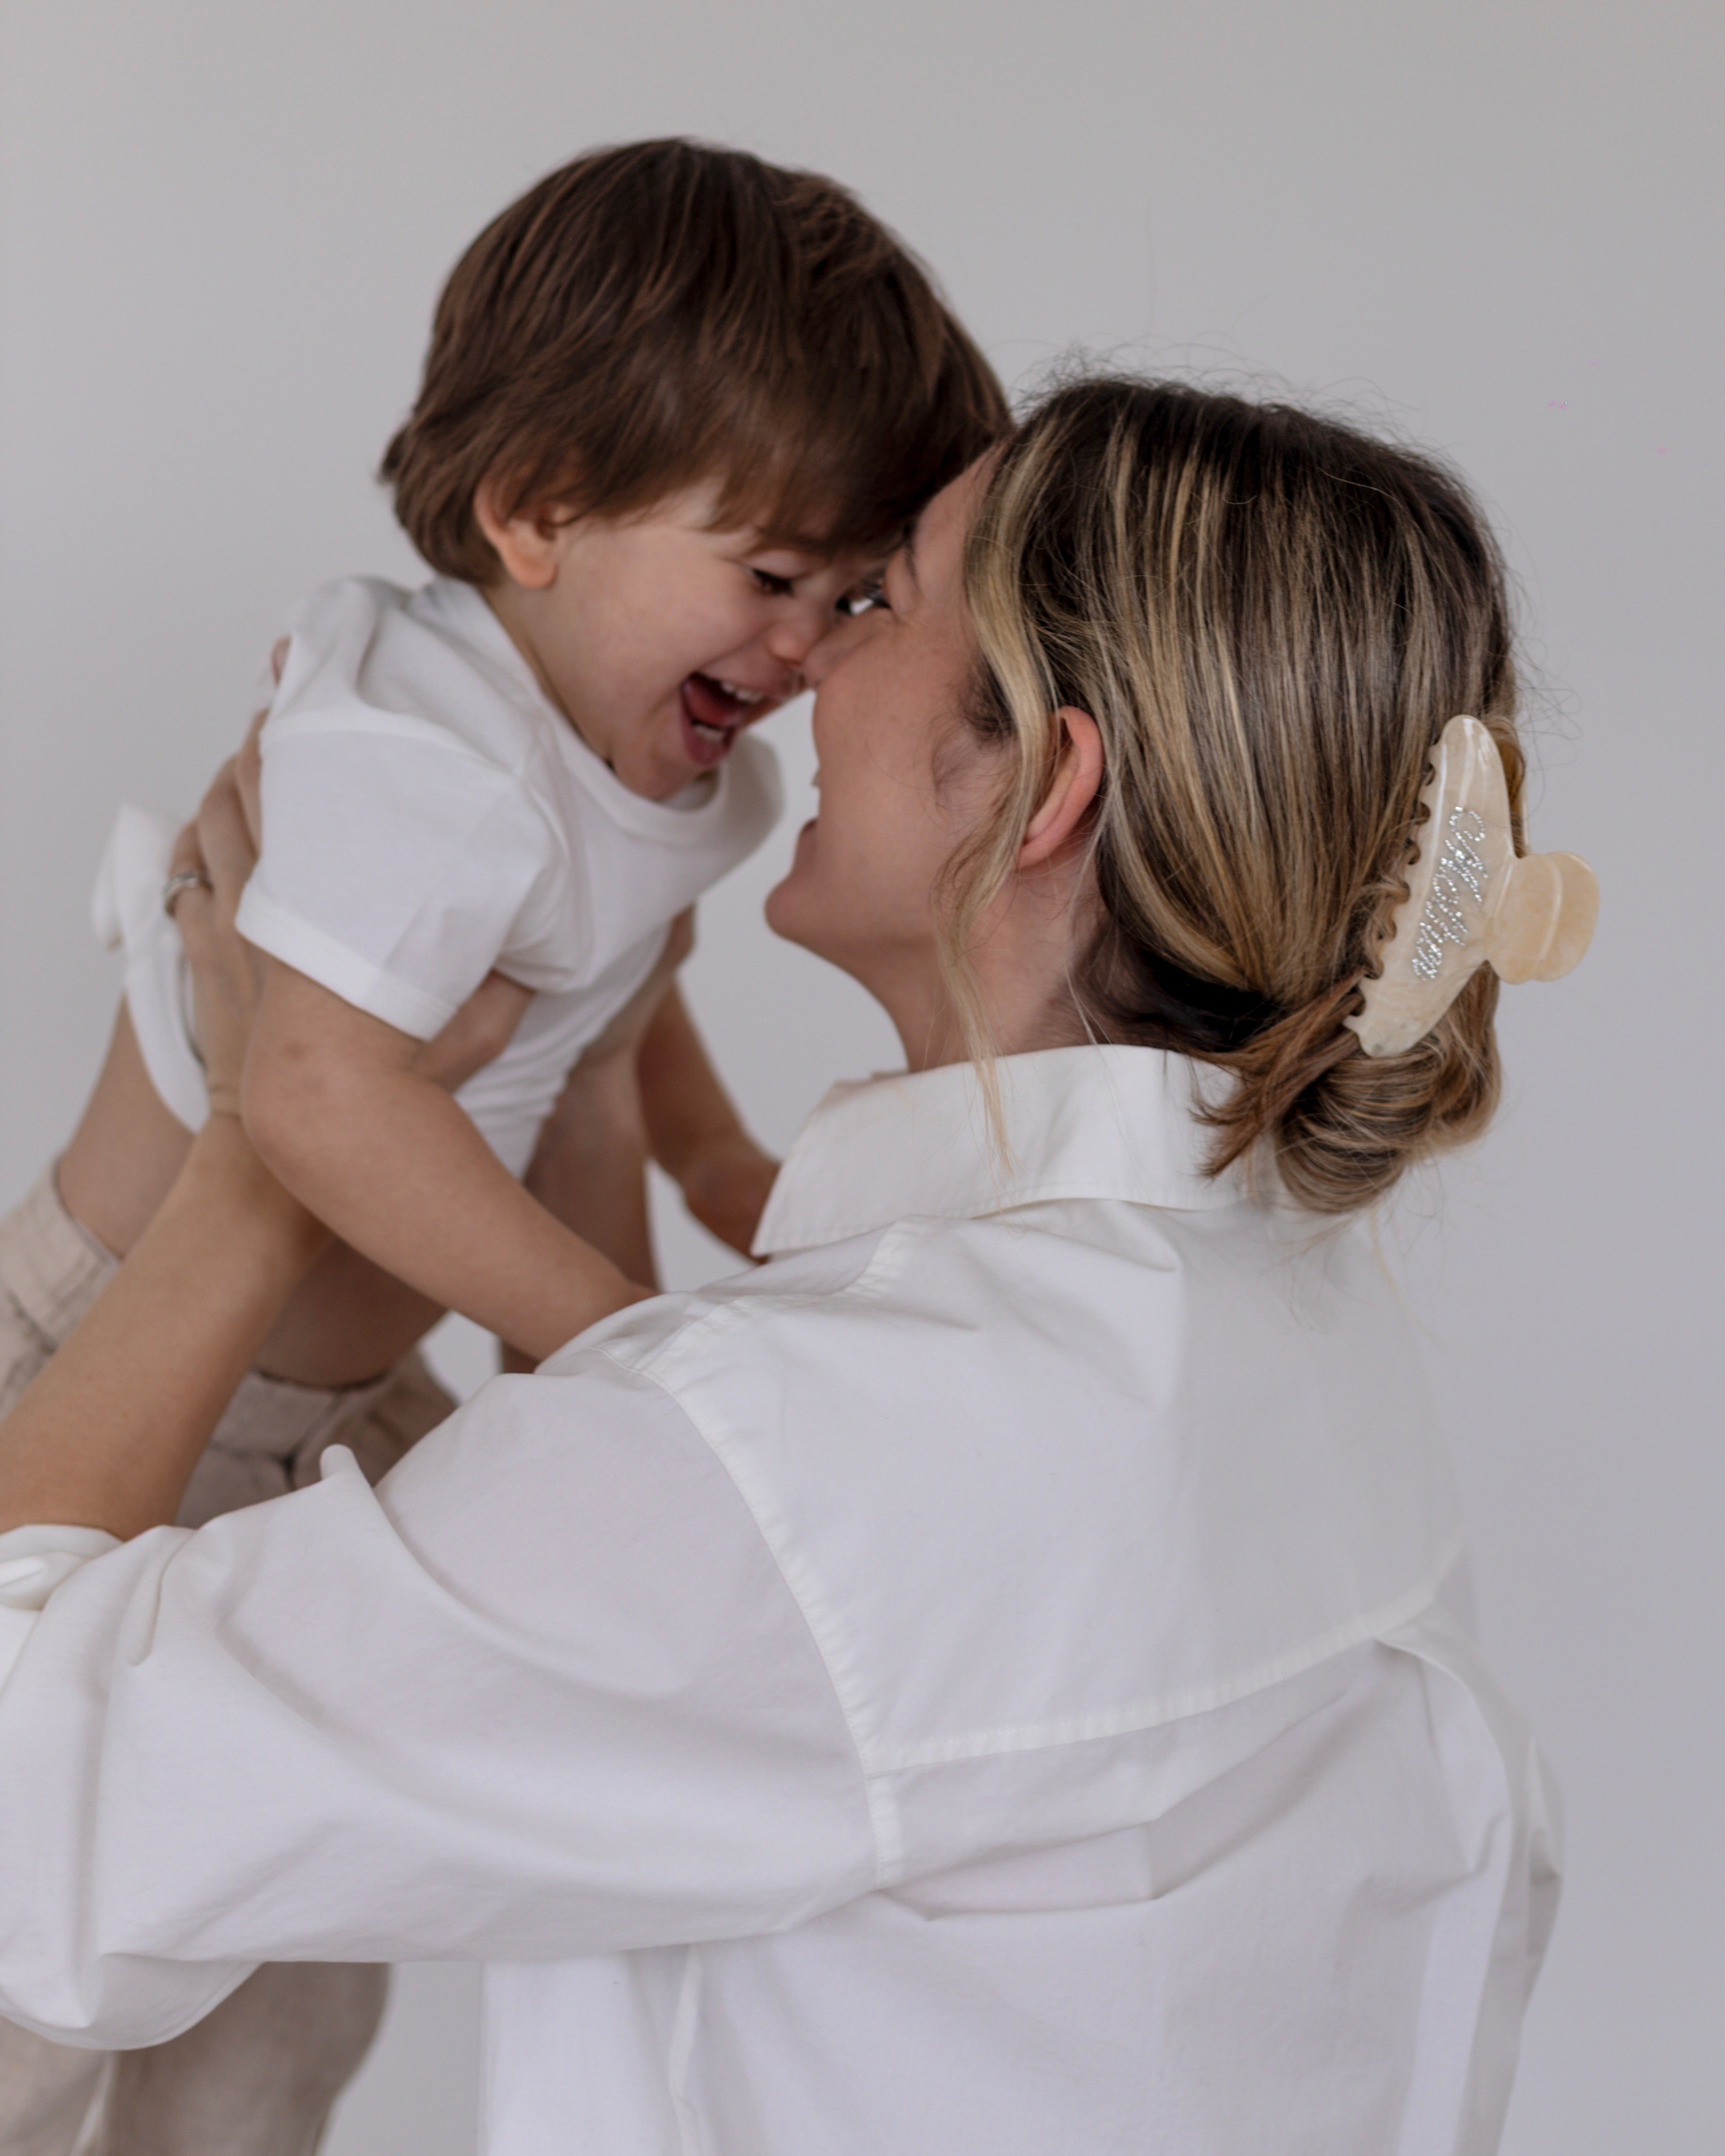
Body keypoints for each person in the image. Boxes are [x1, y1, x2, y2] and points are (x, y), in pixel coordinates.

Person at [0, 376, 1592, 2155]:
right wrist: (596, 1095)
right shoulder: (1290, 1328)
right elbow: (689, 1640)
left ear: (1041, 783)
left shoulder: (804, 1447)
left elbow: (32, 1812)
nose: (808, 661)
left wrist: (260, 1134)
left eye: (880, 601)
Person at [0, 138, 1005, 2155]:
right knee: (36, 1979)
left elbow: (619, 1001)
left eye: (854, 591)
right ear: (536, 512)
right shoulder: (429, 761)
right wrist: (629, 1337)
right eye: (774, 575)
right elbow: (306, 1096)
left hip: (338, 1392)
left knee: (280, 1981)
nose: (810, 648)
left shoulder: (629, 755)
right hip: (121, 1374)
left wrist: (728, 1177)